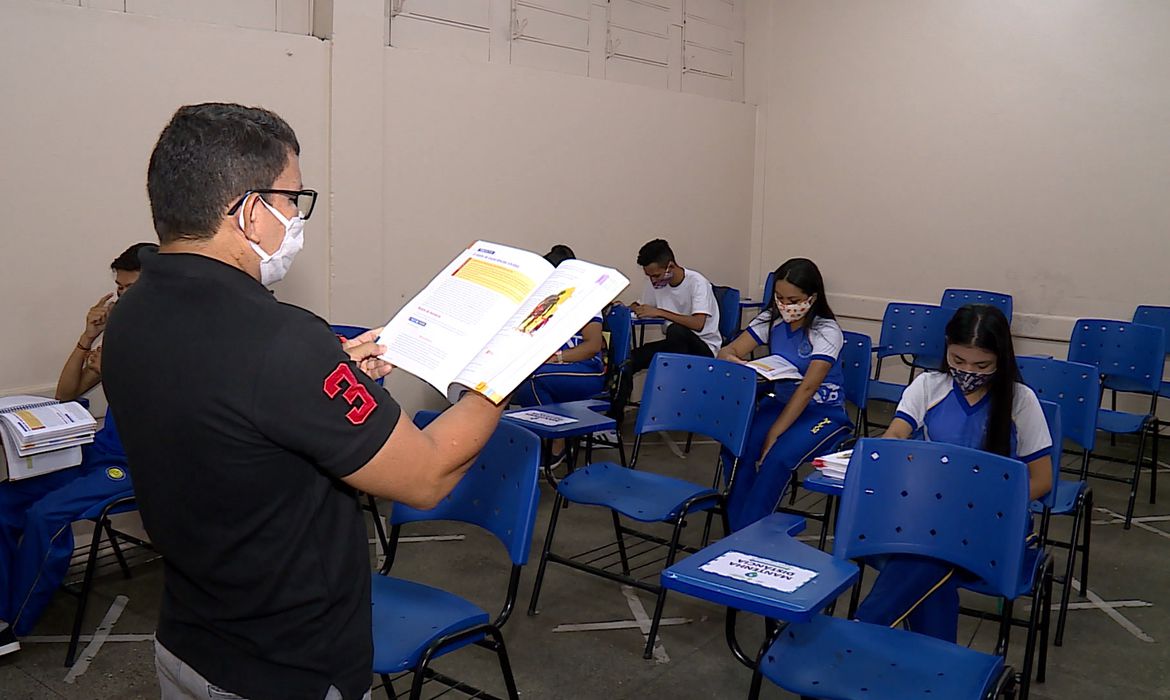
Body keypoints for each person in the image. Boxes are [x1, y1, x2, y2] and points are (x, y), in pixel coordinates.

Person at [102, 103, 507, 700]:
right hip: (288, 666)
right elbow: (427, 475)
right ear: (246, 213)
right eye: (292, 199)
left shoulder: (132, 314)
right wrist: (501, 371)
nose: (296, 215)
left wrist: (330, 377)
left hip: (191, 640)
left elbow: (229, 417)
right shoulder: (280, 339)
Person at [854, 304, 1053, 642]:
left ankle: (860, 633)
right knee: (930, 566)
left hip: (995, 519)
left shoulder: (1021, 400)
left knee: (923, 558)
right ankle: (933, 667)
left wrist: (994, 504)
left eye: (982, 365)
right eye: (958, 361)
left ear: (1001, 359)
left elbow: (1042, 480)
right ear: (946, 347)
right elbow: (895, 436)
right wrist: (892, 454)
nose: (968, 372)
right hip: (930, 512)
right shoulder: (928, 386)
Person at [0, 243, 153, 656]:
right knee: (2, 501)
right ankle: (1, 605)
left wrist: (118, 374)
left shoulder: (176, 342)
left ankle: (15, 622)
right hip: (96, 456)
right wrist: (89, 337)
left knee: (44, 515)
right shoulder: (122, 334)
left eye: (132, 289)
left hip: (138, 466)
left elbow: (170, 419)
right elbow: (66, 394)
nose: (123, 299)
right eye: (119, 290)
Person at [715, 258, 852, 531]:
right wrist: (739, 364)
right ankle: (734, 529)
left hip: (822, 412)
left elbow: (807, 389)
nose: (787, 306)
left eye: (794, 299)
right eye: (779, 298)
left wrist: (775, 434)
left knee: (775, 458)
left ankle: (749, 535)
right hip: (780, 402)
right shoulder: (770, 320)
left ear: (812, 297)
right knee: (739, 450)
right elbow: (726, 352)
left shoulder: (826, 330)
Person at [617, 239, 722, 409]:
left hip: (703, 347)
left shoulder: (698, 283)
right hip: (674, 346)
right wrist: (626, 308)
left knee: (675, 330)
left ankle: (673, 398)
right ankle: (614, 420)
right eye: (649, 276)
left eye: (656, 275)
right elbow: (642, 305)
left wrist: (660, 312)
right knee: (628, 361)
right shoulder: (655, 283)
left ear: (670, 267)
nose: (652, 281)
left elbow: (698, 323)